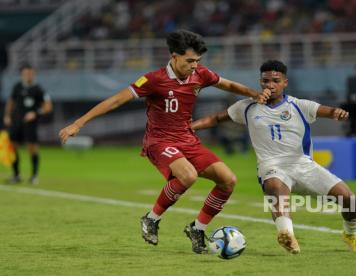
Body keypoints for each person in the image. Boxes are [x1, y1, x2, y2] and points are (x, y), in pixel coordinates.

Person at [58, 30, 270, 254]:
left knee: (228, 180)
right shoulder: (153, 80)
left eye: (197, 61)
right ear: (174, 56)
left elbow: (227, 84)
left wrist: (253, 94)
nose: (194, 66)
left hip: (188, 140)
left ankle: (197, 229)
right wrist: (78, 124)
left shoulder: (201, 74)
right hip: (159, 141)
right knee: (187, 175)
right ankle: (151, 219)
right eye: (189, 61)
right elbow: (115, 100)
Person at [191, 60, 356, 254]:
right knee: (275, 187)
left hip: (303, 165)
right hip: (272, 166)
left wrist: (337, 113)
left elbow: (328, 111)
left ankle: (350, 234)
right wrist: (191, 127)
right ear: (260, 82)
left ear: (285, 82)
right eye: (265, 81)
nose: (270, 85)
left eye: (275, 81)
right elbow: (215, 118)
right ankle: (286, 234)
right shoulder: (247, 106)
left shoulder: (299, 105)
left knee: (350, 200)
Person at [3, 64, 53, 184]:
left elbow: (48, 107)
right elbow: (11, 101)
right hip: (16, 121)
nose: (28, 76)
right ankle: (16, 175)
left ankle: (34, 176)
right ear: (22, 75)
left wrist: (35, 113)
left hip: (30, 124)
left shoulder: (39, 89)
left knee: (32, 148)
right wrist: (7, 115)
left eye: (30, 73)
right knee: (13, 146)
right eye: (26, 74)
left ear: (34, 74)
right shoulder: (17, 86)